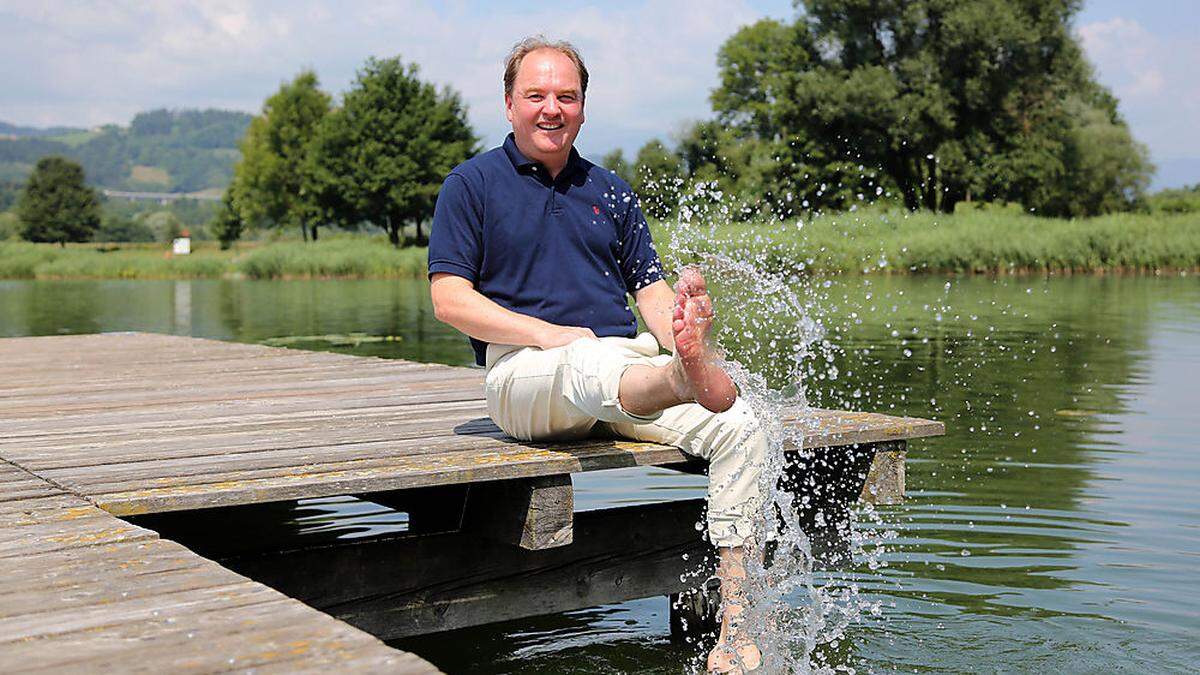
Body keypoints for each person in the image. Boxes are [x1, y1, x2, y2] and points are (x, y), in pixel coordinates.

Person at [428, 36, 766, 673]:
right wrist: (547, 334)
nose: (551, 108)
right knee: (586, 360)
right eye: (537, 95)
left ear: (583, 108)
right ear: (509, 105)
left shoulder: (610, 191)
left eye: (567, 96)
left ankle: (736, 633)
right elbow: (449, 299)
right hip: (523, 376)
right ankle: (681, 376)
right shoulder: (470, 185)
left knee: (739, 426)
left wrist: (687, 323)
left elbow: (651, 294)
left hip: (619, 368)